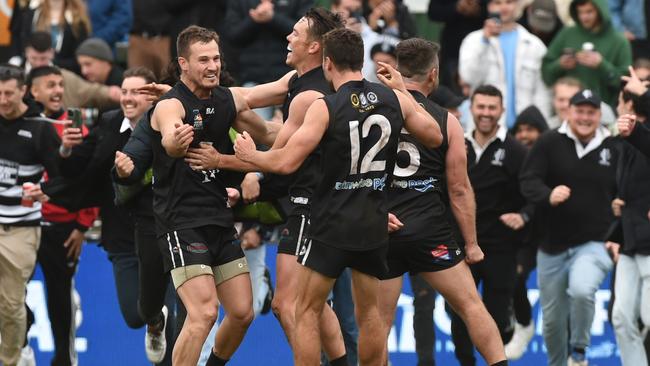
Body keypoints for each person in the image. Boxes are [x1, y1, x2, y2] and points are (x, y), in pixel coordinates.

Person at [231, 27, 443, 366]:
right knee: (370, 313)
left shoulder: (326, 106)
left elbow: (286, 161)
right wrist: (401, 89)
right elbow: (434, 136)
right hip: (373, 222)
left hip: (331, 223)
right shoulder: (392, 99)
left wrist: (249, 156)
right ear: (362, 61)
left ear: (327, 63)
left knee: (306, 310)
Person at [185, 10, 351, 364]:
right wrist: (189, 94)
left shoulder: (312, 95)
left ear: (315, 46)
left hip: (316, 207)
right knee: (306, 306)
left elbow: (278, 157)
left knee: (293, 306)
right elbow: (248, 101)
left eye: (294, 33)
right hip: (311, 203)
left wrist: (222, 161)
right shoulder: (297, 80)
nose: (287, 38)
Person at [149, 25, 287, 366]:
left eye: (216, 58)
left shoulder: (226, 98)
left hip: (219, 220)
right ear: (183, 63)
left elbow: (279, 90)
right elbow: (168, 132)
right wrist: (174, 141)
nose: (212, 66)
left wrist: (320, 51)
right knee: (204, 313)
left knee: (243, 312)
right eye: (203, 60)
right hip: (182, 224)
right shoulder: (171, 105)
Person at [376, 38, 508, 366]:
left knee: (377, 322)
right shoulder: (446, 120)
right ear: (433, 75)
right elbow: (459, 190)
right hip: (428, 231)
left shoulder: (374, 108)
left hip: (381, 228)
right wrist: (472, 244)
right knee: (471, 307)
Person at [57, 67, 176, 365]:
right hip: (122, 236)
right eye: (124, 91)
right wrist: (66, 150)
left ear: (152, 97)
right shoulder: (108, 124)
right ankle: (154, 322)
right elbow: (80, 171)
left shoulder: (172, 124)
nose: (127, 98)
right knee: (135, 316)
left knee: (180, 318)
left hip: (166, 233)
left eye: (135, 91)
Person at [520, 89, 617, 366]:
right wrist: (548, 194)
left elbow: (628, 187)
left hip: (596, 241)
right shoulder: (549, 142)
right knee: (551, 322)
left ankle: (579, 351)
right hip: (551, 245)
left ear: (600, 115)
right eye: (580, 111)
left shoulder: (613, 147)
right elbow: (528, 180)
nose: (585, 117)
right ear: (568, 112)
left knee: (582, 289)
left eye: (591, 112)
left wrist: (623, 206)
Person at [448, 84, 527, 366]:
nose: (486, 113)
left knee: (495, 313)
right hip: (459, 243)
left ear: (502, 111)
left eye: (492, 108)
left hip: (500, 246)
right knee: (457, 311)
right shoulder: (457, 143)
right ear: (472, 108)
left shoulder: (516, 150)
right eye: (481, 107)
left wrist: (524, 216)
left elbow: (531, 192)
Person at [26, 65, 99, 366]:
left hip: (63, 227)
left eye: (60, 84)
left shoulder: (76, 129)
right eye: (50, 85)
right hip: (24, 224)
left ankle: (64, 360)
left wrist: (82, 226)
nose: (57, 90)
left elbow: (90, 179)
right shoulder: (21, 124)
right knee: (11, 293)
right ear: (33, 91)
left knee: (60, 302)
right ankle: (20, 343)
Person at [0, 64, 60, 366]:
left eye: (8, 93)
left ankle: (11, 359)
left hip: (21, 228)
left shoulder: (40, 128)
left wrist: (44, 190)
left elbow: (63, 177)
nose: (2, 99)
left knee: (11, 305)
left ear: (23, 91)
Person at [608, 69, 650, 366]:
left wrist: (641, 91)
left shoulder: (638, 135)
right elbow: (630, 194)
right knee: (622, 317)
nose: (618, 106)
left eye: (622, 101)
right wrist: (615, 232)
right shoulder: (626, 139)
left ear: (630, 103)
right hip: (631, 241)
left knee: (649, 314)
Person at [459, 0, 551, 128]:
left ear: (518, 5)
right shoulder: (473, 41)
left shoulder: (535, 45)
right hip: (486, 127)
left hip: (525, 129)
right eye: (497, 2)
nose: (503, 7)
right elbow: (469, 77)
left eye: (509, 2)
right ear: (489, 6)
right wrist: (484, 42)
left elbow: (542, 92)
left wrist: (541, 125)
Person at [503, 105, 549, 360]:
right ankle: (522, 323)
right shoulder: (513, 157)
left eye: (530, 130)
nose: (524, 135)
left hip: (555, 233)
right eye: (519, 130)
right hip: (522, 237)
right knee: (514, 276)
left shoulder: (554, 155)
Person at [541, 0, 632, 107]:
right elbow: (546, 73)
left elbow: (626, 83)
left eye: (589, 12)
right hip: (568, 107)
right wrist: (560, 64)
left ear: (600, 10)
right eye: (580, 12)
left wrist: (602, 65)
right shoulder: (567, 33)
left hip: (603, 109)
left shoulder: (619, 41)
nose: (584, 17)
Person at [14, 31, 120, 111]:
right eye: (34, 58)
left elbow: (93, 91)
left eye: (43, 59)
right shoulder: (14, 76)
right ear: (26, 53)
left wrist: (115, 93)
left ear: (51, 53)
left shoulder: (66, 77)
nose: (38, 64)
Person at [9, 0, 91, 72]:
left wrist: (51, 63)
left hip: (63, 74)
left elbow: (78, 59)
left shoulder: (78, 21)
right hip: (30, 72)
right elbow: (22, 42)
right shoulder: (32, 13)